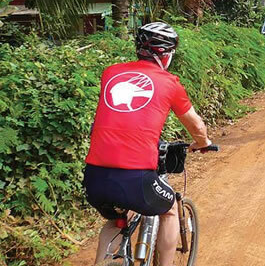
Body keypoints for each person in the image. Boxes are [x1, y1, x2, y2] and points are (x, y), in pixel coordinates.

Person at [83, 22, 213, 265]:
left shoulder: (110, 73)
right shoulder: (169, 82)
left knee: (115, 220)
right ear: (166, 54)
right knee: (171, 208)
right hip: (136, 177)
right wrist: (202, 142)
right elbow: (195, 125)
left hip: (94, 177)